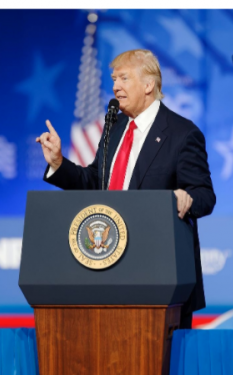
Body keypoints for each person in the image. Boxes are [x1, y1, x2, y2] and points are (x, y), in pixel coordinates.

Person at [36, 49, 215, 328]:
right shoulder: (114, 127)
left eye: (123, 78)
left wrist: (185, 197)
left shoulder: (182, 133)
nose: (115, 86)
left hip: (159, 274)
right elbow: (95, 181)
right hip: (107, 265)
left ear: (148, 85)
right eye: (113, 79)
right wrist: (59, 163)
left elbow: (205, 195)